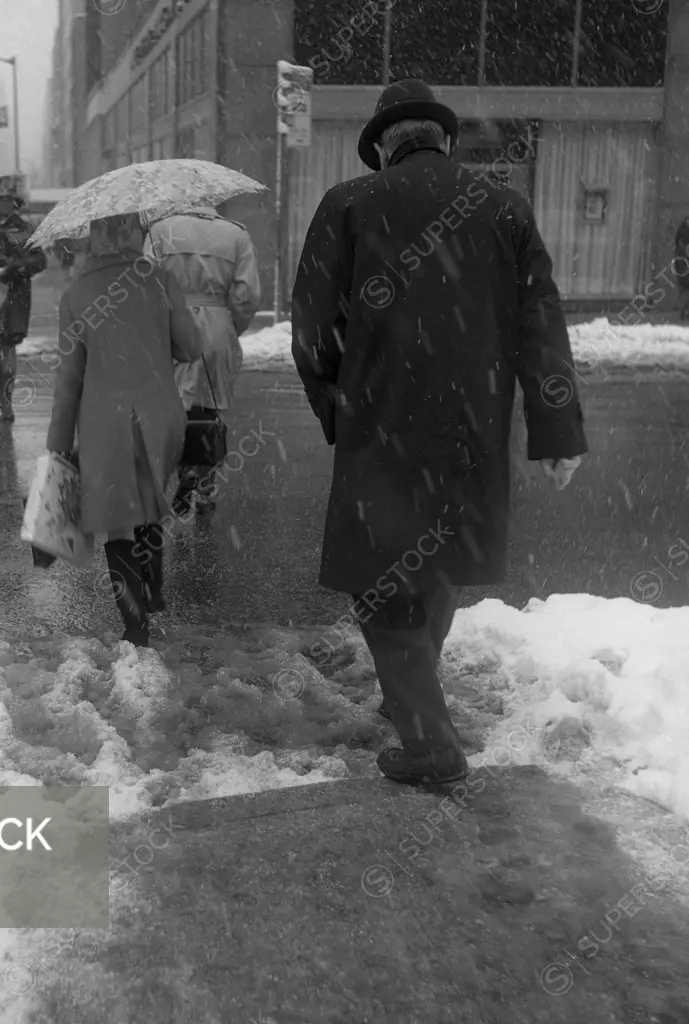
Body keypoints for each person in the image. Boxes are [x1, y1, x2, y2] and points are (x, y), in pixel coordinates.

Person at [291, 79, 588, 786]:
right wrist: (555, 429)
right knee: (438, 564)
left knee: (382, 586)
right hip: (472, 427)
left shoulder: (348, 205)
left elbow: (310, 326)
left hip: (381, 424)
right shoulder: (505, 209)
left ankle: (428, 744)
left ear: (384, 147)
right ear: (443, 140)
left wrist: (335, 401)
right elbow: (539, 324)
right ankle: (412, 695)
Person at [46, 212, 202, 647]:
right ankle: (151, 595)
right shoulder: (160, 279)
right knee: (149, 502)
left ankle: (135, 623)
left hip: (105, 423)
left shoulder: (76, 293)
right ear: (136, 231)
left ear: (93, 236)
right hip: (160, 417)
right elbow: (190, 348)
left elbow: (68, 381)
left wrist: (57, 448)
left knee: (118, 522)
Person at [147, 207, 261, 515]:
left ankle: (180, 469)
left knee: (173, 405)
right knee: (209, 407)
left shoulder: (159, 231)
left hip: (171, 325)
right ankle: (206, 480)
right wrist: (228, 326)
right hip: (216, 326)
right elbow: (246, 295)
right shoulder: (236, 234)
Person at [0, 175, 48, 421]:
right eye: (1, 200)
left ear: (14, 203)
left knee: (9, 347)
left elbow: (40, 260)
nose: (5, 204)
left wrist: (16, 267)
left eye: (9, 200)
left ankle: (7, 399)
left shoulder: (26, 229)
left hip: (17, 295)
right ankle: (0, 387)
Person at [676, 216, 689, 319]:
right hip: (683, 269)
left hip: (683, 267)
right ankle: (684, 311)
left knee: (684, 290)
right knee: (684, 289)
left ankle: (684, 311)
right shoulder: (683, 230)